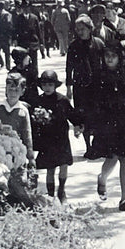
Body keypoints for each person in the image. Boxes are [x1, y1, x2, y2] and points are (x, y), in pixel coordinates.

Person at [92, 42, 125, 213]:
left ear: (119, 57)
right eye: (107, 55)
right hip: (108, 123)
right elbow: (95, 103)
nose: (109, 59)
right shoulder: (99, 75)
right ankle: (102, 178)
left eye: (113, 55)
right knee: (112, 157)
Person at [32, 70, 83, 204]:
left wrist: (78, 125)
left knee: (64, 164)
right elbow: (33, 120)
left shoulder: (62, 100)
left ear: (55, 85)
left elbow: (72, 115)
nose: (47, 87)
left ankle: (61, 190)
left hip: (61, 137)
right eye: (44, 84)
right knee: (50, 167)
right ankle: (50, 194)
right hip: (47, 139)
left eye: (50, 84)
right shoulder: (39, 101)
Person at [65, 15, 105, 155]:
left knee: (98, 114)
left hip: (97, 85)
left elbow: (105, 64)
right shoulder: (74, 46)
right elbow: (68, 68)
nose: (80, 32)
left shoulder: (99, 43)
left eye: (82, 29)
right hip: (80, 86)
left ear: (89, 28)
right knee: (83, 116)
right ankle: (88, 147)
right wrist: (69, 88)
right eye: (77, 29)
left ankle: (97, 146)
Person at [0, 72, 35, 169]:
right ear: (6, 90)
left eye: (16, 90)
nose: (13, 93)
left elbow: (27, 134)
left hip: (17, 151)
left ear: (22, 92)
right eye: (10, 90)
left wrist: (31, 157)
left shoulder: (23, 111)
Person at [14, 0, 42, 75]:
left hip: (33, 43)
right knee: (24, 63)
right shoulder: (18, 18)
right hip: (23, 44)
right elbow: (15, 30)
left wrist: (41, 43)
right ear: (21, 9)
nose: (26, 9)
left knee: (34, 63)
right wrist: (15, 40)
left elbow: (38, 31)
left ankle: (35, 79)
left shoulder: (34, 18)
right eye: (24, 8)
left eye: (27, 7)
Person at [0, 1, 13, 70]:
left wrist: (8, 35)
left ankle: (8, 66)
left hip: (5, 36)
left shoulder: (6, 14)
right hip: (0, 37)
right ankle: (1, 63)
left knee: (7, 52)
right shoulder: (0, 14)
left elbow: (9, 25)